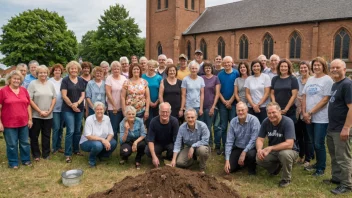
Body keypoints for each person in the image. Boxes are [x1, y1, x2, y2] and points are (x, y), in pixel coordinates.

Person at [302, 57, 333, 176]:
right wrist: (304, 112)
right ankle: (318, 163)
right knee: (312, 141)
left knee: (319, 143)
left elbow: (325, 99)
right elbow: (304, 96)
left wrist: (310, 112)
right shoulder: (310, 79)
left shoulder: (327, 80)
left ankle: (321, 168)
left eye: (319, 65)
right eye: (314, 65)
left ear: (323, 66)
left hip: (321, 118)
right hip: (308, 117)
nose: (316, 67)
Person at [256, 102, 299, 187]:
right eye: (269, 113)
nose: (271, 115)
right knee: (259, 158)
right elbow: (260, 139)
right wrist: (259, 150)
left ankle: (286, 179)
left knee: (284, 154)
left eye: (274, 112)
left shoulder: (288, 122)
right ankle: (276, 168)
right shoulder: (266, 122)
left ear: (280, 112)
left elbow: (289, 144)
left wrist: (271, 148)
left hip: (290, 151)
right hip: (275, 151)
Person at [325, 59, 352, 195]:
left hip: (341, 128)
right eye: (332, 67)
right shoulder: (336, 84)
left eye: (337, 67)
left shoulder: (347, 84)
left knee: (343, 158)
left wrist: (346, 128)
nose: (334, 69)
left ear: (344, 69)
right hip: (332, 127)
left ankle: (347, 185)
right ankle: (337, 178)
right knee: (334, 156)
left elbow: (351, 108)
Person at [0, 70, 32, 168]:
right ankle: (13, 162)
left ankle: (26, 160)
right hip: (9, 123)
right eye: (14, 78)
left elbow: (28, 105)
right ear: (9, 79)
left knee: (25, 143)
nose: (16, 80)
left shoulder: (24, 90)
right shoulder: (3, 91)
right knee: (12, 144)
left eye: (18, 79)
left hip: (23, 122)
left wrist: (30, 119)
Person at [28, 65, 56, 161]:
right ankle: (36, 154)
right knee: (34, 135)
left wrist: (50, 110)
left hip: (49, 115)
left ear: (47, 73)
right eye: (40, 72)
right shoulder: (32, 84)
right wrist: (39, 111)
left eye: (44, 72)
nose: (43, 74)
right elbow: (29, 99)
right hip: (36, 115)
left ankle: (46, 154)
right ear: (37, 74)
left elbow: (54, 98)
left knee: (47, 135)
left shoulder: (50, 84)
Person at [224, 102, 260, 175]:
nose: (240, 112)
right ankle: (242, 163)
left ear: (247, 110)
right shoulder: (233, 122)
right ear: (236, 111)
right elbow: (229, 141)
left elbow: (254, 139)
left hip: (251, 148)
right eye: (238, 110)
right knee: (229, 169)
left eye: (242, 110)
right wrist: (227, 160)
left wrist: (244, 152)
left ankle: (251, 168)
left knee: (251, 155)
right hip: (238, 147)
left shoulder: (254, 120)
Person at [61, 61, 86, 163]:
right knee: (70, 131)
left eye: (75, 68)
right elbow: (64, 95)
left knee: (77, 130)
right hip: (67, 109)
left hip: (79, 108)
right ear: (68, 69)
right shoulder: (65, 80)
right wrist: (72, 105)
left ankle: (76, 150)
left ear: (78, 69)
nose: (74, 70)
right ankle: (67, 154)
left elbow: (83, 95)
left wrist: (77, 103)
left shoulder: (81, 80)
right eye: (72, 68)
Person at [171, 108, 210, 173]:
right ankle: (193, 160)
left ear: (196, 117)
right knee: (180, 163)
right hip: (189, 148)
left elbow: (205, 140)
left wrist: (193, 146)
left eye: (192, 117)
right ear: (185, 118)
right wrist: (173, 159)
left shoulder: (203, 126)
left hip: (201, 147)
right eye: (188, 117)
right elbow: (177, 143)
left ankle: (202, 167)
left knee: (203, 151)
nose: (190, 119)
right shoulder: (182, 128)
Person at [80, 102, 117, 168]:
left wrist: (107, 141)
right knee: (98, 145)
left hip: (100, 141)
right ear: (94, 110)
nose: (99, 111)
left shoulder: (107, 118)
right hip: (87, 142)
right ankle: (92, 160)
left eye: (101, 109)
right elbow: (88, 136)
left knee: (113, 143)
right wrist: (102, 140)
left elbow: (111, 133)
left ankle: (101, 156)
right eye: (97, 109)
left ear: (104, 110)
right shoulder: (89, 119)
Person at [216, 56, 239, 155]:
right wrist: (225, 102)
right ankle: (225, 147)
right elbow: (218, 91)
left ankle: (233, 146)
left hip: (234, 104)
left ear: (232, 63)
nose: (226, 64)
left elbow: (236, 89)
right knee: (224, 126)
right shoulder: (220, 75)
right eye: (225, 63)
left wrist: (230, 101)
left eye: (228, 62)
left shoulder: (236, 73)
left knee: (233, 126)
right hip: (222, 105)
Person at [145, 102, 179, 168]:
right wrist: (154, 157)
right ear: (159, 112)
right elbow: (150, 140)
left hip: (170, 143)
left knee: (176, 149)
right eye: (163, 112)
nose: (165, 114)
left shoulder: (174, 121)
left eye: (167, 112)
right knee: (148, 151)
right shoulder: (153, 121)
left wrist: (174, 159)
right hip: (158, 143)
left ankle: (169, 157)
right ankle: (157, 157)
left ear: (170, 112)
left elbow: (177, 141)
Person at [294, 61, 313, 166]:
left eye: (305, 68)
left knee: (308, 136)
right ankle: (301, 155)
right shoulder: (297, 80)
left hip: (307, 111)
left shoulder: (312, 80)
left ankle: (308, 158)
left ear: (308, 68)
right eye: (301, 68)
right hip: (298, 111)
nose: (303, 70)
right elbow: (294, 92)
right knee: (299, 135)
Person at [200, 61, 220, 148]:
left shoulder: (215, 78)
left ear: (212, 69)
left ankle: (210, 144)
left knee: (208, 126)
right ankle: (204, 142)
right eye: (206, 68)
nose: (207, 69)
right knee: (202, 125)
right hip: (201, 106)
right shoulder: (201, 78)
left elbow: (217, 94)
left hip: (210, 106)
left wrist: (213, 107)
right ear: (203, 69)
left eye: (209, 68)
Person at [105, 61, 127, 141]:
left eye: (118, 68)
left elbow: (126, 92)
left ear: (120, 69)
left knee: (123, 128)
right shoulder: (109, 78)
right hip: (113, 108)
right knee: (114, 128)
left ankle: (123, 144)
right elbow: (108, 93)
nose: (116, 70)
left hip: (123, 107)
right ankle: (113, 145)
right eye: (114, 68)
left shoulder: (124, 78)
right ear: (112, 69)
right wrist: (114, 106)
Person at [49, 64, 65, 154]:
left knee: (61, 128)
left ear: (61, 71)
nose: (57, 72)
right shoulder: (50, 81)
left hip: (63, 108)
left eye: (59, 70)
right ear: (53, 72)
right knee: (56, 128)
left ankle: (59, 146)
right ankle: (54, 147)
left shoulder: (64, 81)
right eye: (55, 70)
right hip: (54, 108)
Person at [142, 60, 162, 128]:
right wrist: (149, 102)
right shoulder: (143, 77)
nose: (151, 68)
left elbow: (161, 91)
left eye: (153, 67)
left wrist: (157, 101)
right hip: (146, 103)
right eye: (149, 66)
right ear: (147, 67)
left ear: (155, 68)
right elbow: (142, 91)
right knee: (148, 120)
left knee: (157, 120)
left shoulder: (159, 77)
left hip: (157, 102)